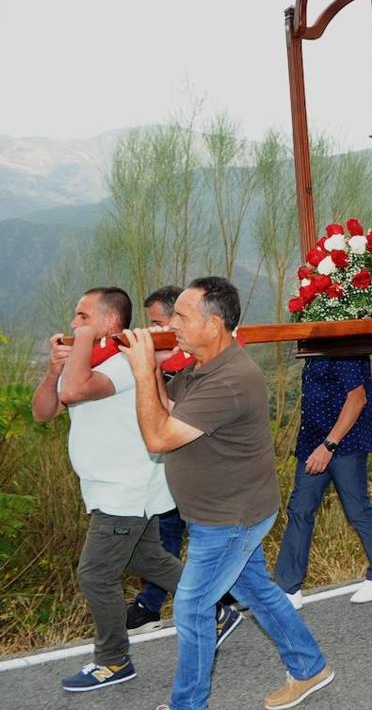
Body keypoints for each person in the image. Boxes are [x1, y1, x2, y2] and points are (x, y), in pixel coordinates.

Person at [121, 277, 333, 710]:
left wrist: (144, 371)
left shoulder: (231, 379)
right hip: (223, 511)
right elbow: (170, 412)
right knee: (255, 589)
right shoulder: (201, 365)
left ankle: (188, 705)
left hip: (230, 518)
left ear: (214, 324)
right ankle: (310, 667)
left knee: (193, 608)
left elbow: (159, 437)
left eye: (181, 316)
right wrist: (154, 372)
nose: (171, 323)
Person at [31, 288, 204, 693]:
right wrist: (54, 369)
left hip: (128, 488)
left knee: (95, 573)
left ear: (111, 322)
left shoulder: (128, 362)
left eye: (82, 315)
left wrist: (82, 347)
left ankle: (113, 660)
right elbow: (44, 411)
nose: (74, 323)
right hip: (106, 487)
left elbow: (74, 393)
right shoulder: (84, 365)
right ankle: (214, 609)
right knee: (150, 559)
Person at [274, 355, 372, 607]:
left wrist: (329, 446)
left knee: (356, 508)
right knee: (299, 509)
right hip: (312, 442)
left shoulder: (340, 345)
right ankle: (287, 590)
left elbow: (357, 398)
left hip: (343, 444)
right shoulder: (313, 347)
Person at [126, 285, 188, 635]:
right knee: (166, 535)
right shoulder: (156, 365)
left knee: (211, 538)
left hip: (200, 474)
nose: (150, 332)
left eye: (156, 323)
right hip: (165, 469)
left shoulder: (195, 364)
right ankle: (150, 604)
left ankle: (222, 600)